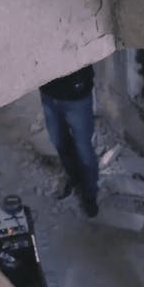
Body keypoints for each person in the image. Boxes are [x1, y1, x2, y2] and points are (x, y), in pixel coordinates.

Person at [39, 64, 99, 218]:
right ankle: (76, 178)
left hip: (76, 96)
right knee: (58, 140)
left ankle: (90, 194)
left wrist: (79, 81)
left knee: (83, 146)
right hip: (48, 92)